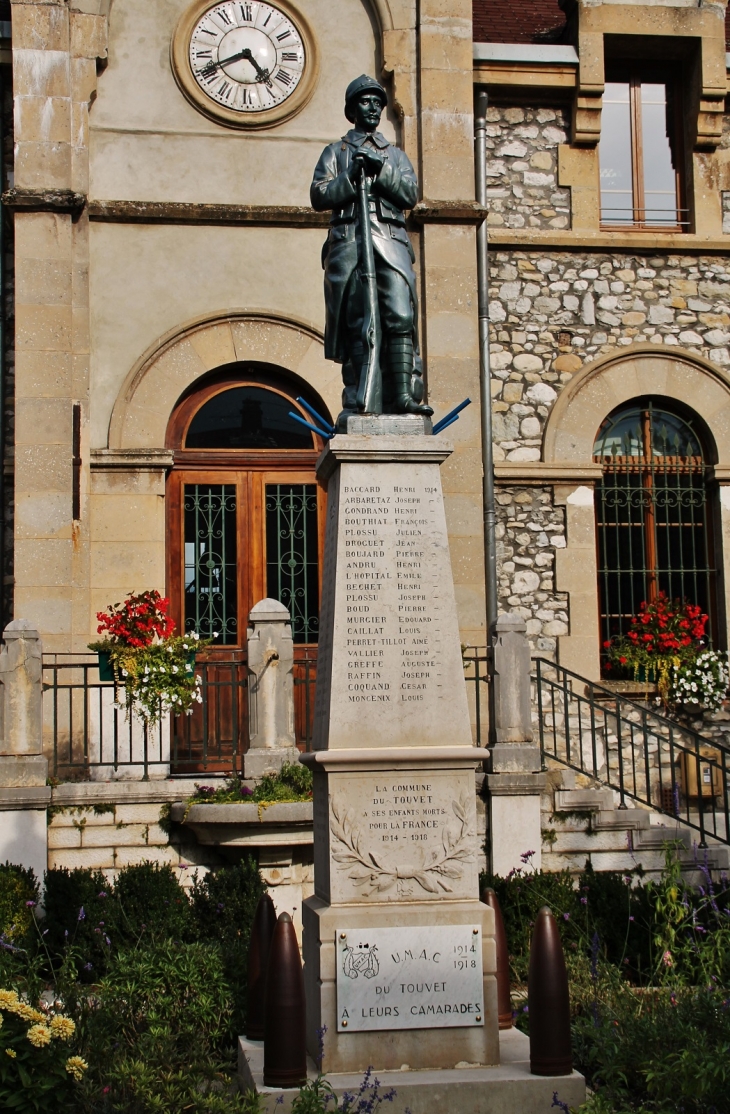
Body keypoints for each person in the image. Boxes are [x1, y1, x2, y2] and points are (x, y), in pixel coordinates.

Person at [310, 74, 432, 426]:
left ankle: (403, 394)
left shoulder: (395, 155)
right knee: (358, 321)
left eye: (378, 102)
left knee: (401, 315)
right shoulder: (336, 152)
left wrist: (380, 169)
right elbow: (319, 194)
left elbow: (409, 195)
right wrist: (351, 177)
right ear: (352, 109)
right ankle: (360, 396)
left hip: (390, 240)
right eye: (366, 101)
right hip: (350, 240)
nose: (374, 108)